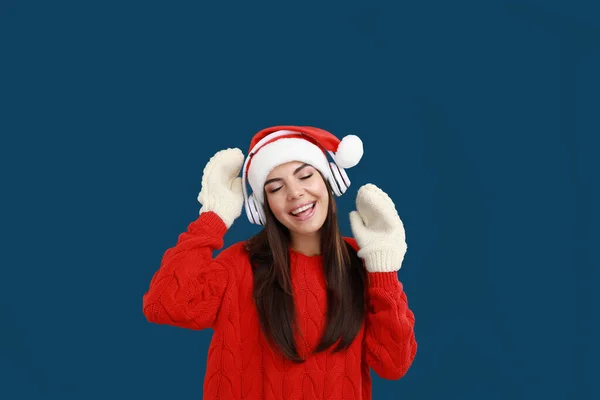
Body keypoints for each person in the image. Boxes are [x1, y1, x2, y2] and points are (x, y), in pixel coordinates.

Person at [142, 125, 417, 400]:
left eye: (305, 176)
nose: (295, 193)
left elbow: (393, 365)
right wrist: (214, 217)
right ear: (265, 206)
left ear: (329, 181)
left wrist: (383, 269)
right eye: (276, 188)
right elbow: (165, 304)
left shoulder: (362, 262)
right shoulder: (240, 264)